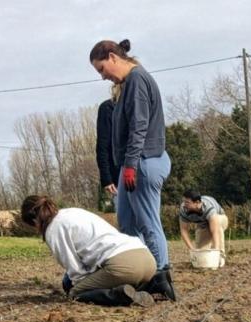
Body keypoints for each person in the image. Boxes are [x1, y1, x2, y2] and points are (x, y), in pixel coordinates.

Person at [90, 38, 175, 301]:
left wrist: (130, 166)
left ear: (113, 57)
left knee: (149, 222)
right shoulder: (127, 84)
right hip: (132, 164)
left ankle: (161, 277)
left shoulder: (137, 79)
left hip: (143, 163)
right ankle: (139, 271)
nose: (103, 77)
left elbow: (139, 126)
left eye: (102, 69)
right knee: (126, 224)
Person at [20, 195, 156, 307]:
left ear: (34, 220)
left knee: (75, 293)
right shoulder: (72, 212)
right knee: (71, 281)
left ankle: (120, 295)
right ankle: (158, 282)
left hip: (124, 266)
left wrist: (75, 286)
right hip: (147, 259)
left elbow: (76, 271)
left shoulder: (53, 229)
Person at [179, 190, 228, 265]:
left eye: (187, 202)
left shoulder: (208, 207)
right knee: (201, 254)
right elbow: (184, 230)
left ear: (197, 202)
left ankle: (220, 256)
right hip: (203, 225)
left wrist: (216, 251)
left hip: (220, 219)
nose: (184, 204)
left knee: (217, 223)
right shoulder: (183, 209)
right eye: (184, 201)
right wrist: (192, 250)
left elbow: (214, 231)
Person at [95, 85, 120, 209]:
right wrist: (106, 177)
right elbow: (102, 145)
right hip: (119, 175)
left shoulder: (139, 107)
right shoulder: (108, 108)